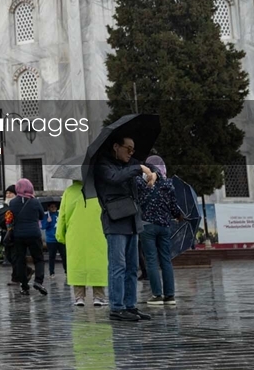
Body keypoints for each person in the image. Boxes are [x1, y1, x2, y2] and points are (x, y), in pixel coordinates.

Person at [94, 135, 156, 322]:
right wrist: (138, 169)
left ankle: (131, 306)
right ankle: (117, 307)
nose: (131, 153)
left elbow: (148, 167)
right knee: (118, 266)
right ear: (115, 146)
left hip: (132, 220)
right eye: (128, 148)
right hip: (115, 221)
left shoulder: (129, 163)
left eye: (133, 150)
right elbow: (115, 178)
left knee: (132, 267)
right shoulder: (103, 165)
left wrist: (153, 174)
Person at [136, 155, 182, 306]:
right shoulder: (168, 184)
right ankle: (170, 296)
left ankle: (157, 295)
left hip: (147, 225)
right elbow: (174, 207)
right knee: (166, 260)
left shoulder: (141, 183)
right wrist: (177, 215)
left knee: (151, 260)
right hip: (165, 226)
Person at [56, 178, 108, 307]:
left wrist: (60, 236)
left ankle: (79, 297)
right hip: (98, 232)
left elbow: (62, 215)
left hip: (75, 233)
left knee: (77, 264)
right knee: (98, 263)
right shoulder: (99, 189)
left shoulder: (69, 192)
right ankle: (99, 297)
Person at [9, 179, 46, 296]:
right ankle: (38, 281)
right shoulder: (35, 202)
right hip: (34, 234)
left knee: (20, 260)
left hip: (18, 235)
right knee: (38, 258)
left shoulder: (13, 202)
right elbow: (41, 216)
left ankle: (24, 286)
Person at [43, 202, 67, 280]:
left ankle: (67, 271)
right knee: (51, 257)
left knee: (64, 256)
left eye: (55, 207)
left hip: (60, 239)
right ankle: (51, 273)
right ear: (49, 208)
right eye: (52, 207)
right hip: (51, 240)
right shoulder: (46, 216)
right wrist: (47, 222)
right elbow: (43, 226)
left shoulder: (60, 215)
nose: (53, 208)